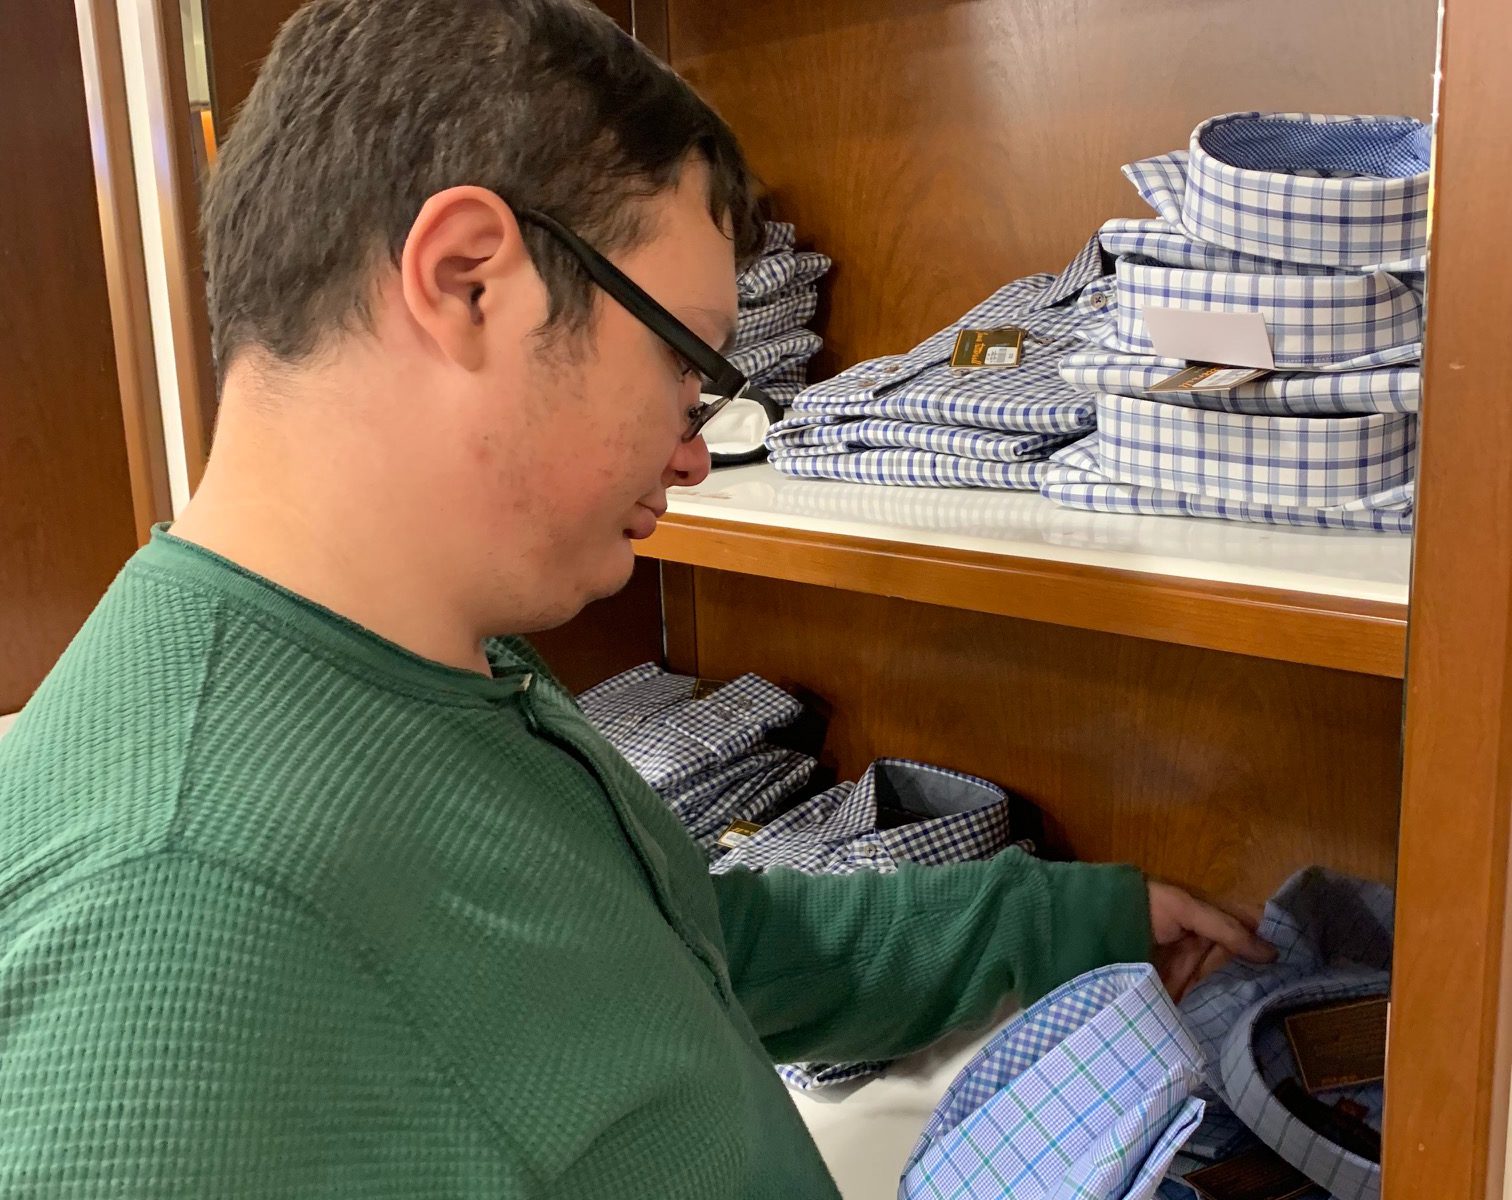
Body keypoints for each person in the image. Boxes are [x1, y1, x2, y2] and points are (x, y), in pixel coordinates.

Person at [0, 1, 1272, 1195]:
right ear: (467, 281)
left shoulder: (431, 663)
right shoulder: (167, 908)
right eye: (686, 361)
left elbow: (656, 946)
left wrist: (1060, 921)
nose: (696, 442)